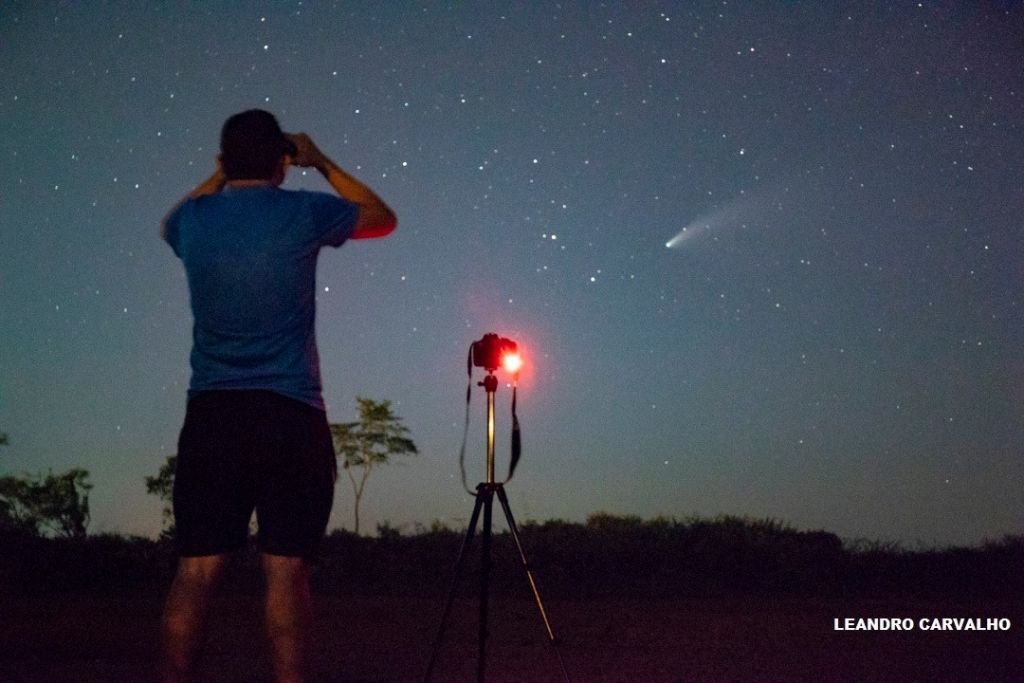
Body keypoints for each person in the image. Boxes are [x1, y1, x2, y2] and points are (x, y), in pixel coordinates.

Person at [159, 109, 396, 683]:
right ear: (282, 161)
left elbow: (168, 222)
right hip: (290, 414)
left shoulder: (194, 219)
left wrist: (217, 177)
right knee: (286, 572)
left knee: (195, 573)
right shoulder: (303, 211)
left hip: (213, 414)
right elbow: (382, 218)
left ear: (224, 160)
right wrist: (323, 161)